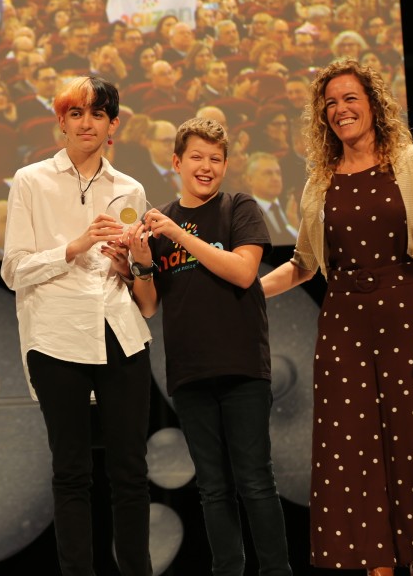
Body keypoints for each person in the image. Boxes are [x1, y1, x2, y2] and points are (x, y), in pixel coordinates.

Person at [261, 59, 413, 576]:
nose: (340, 109)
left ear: (373, 103)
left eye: (350, 98)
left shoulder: (411, 162)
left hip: (409, 316)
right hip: (345, 326)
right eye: (330, 103)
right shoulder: (318, 181)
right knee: (354, 454)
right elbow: (303, 264)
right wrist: (249, 292)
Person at [123, 117, 293, 576]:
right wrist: (142, 264)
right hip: (189, 372)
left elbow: (243, 272)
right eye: (196, 157)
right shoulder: (158, 221)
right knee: (213, 488)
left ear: (225, 165)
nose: (206, 166)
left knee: (255, 480)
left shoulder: (240, 207)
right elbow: (148, 306)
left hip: (242, 367)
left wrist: (179, 234)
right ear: (176, 162)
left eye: (215, 159)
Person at [1, 76, 154, 576]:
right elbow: (13, 270)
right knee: (71, 471)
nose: (87, 123)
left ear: (113, 125)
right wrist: (76, 245)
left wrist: (130, 264)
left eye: (98, 114)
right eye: (76, 113)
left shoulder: (130, 188)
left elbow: (137, 280)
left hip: (121, 332)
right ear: (61, 122)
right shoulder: (31, 180)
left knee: (130, 471)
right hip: (56, 334)